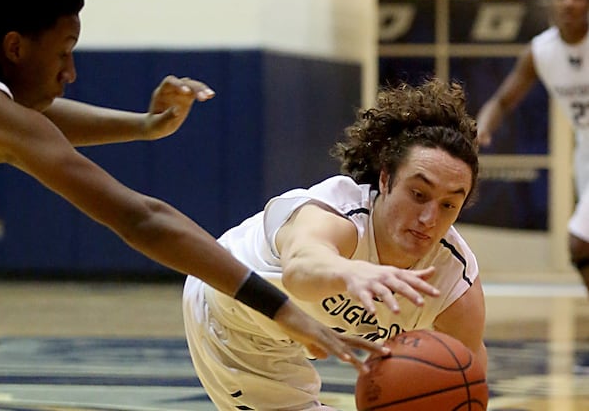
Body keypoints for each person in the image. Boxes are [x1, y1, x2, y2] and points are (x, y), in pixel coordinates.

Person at [0, 0, 386, 409]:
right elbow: (142, 219)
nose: (71, 71)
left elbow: (35, 118)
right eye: (64, 52)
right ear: (15, 47)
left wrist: (144, 126)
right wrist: (282, 309)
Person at [182, 78, 488, 411]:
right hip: (235, 313)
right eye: (418, 194)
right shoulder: (338, 215)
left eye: (448, 205)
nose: (429, 217)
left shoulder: (455, 281)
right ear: (385, 180)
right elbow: (300, 270)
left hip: (295, 328)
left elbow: (467, 383)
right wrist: (349, 271)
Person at [476, 0, 589, 296]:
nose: (569, 2)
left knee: (579, 242)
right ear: (550, 3)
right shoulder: (540, 51)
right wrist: (483, 127)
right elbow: (503, 100)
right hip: (584, 152)